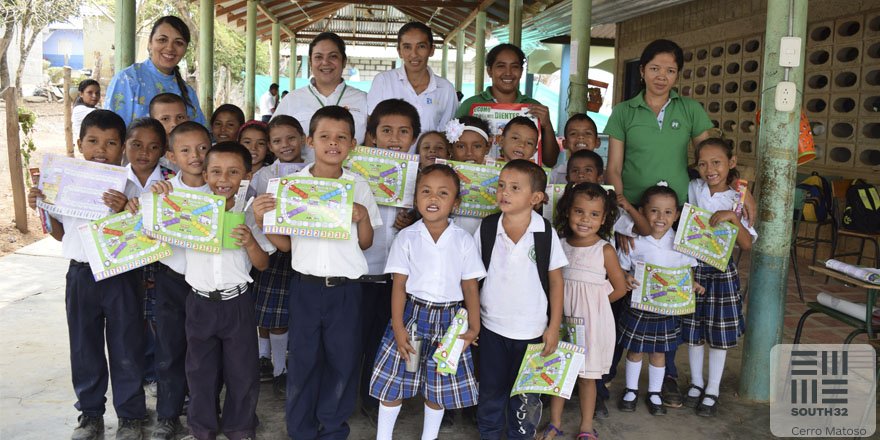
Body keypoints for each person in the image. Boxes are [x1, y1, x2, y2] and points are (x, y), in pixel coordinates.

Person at [253, 106, 381, 439]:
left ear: (352, 143)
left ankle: (333, 428)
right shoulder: (291, 186)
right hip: (306, 289)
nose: (333, 143)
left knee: (342, 363)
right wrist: (262, 216)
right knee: (303, 362)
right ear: (310, 140)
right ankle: (300, 430)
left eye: (341, 137)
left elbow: (366, 243)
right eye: (324, 136)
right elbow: (284, 246)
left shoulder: (359, 187)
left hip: (347, 291)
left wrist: (362, 216)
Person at [604, 40, 714, 406]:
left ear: (678, 74)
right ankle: (609, 375)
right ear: (642, 70)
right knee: (628, 295)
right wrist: (625, 218)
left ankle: (665, 378)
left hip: (676, 216)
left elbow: (709, 158)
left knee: (671, 298)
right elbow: (614, 169)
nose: (661, 76)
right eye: (654, 68)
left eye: (669, 70)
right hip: (634, 213)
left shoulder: (692, 109)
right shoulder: (624, 111)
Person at [27, 110, 146, 440]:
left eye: (110, 143)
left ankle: (131, 417)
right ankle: (90, 415)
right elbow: (61, 235)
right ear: (79, 144)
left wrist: (125, 208)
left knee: (126, 347)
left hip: (121, 274)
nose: (101, 149)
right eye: (93, 141)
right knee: (84, 347)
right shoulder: (62, 181)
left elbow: (144, 236)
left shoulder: (131, 185)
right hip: (81, 275)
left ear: (122, 147)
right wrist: (43, 205)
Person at [370, 164, 484, 440]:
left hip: (449, 321)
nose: (433, 199)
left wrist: (474, 327)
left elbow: (470, 286)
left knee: (438, 386)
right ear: (416, 199)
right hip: (412, 316)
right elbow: (398, 286)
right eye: (426, 192)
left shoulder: (463, 240)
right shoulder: (407, 237)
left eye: (443, 193)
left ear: (455, 202)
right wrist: (398, 328)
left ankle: (429, 437)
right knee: (393, 382)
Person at [173, 142, 273, 440]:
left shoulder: (251, 211)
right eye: (215, 171)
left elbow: (264, 263)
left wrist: (249, 241)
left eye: (233, 172)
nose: (223, 179)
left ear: (247, 175)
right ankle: (201, 428)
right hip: (200, 302)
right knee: (199, 371)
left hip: (237, 303)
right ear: (204, 173)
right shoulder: (190, 209)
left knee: (242, 371)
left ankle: (240, 426)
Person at [475, 160, 567, 440]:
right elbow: (472, 276)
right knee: (491, 388)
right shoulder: (488, 228)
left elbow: (556, 281)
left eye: (515, 188)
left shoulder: (545, 233)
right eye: (501, 185)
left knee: (526, 392)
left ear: (536, 198)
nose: (504, 192)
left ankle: (521, 435)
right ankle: (489, 434)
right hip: (492, 326)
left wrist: (554, 326)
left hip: (533, 331)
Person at [541, 182, 630, 440]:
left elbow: (620, 288)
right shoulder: (558, 244)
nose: (585, 220)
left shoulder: (604, 249)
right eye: (579, 211)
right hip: (561, 321)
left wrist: (597, 304)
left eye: (593, 215)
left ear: (603, 219)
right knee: (559, 372)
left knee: (586, 377)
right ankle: (555, 423)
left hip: (591, 325)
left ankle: (586, 427)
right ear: (568, 211)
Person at [140, 122, 212, 440]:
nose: (195, 156)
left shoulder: (222, 190)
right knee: (170, 350)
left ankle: (205, 412)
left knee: (208, 353)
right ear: (171, 155)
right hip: (171, 280)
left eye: (202, 148)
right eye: (185, 150)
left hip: (209, 284)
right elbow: (144, 234)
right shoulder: (163, 192)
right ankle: (168, 416)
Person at [681, 138, 755, 417]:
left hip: (722, 273)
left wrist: (734, 218)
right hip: (693, 268)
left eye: (717, 162)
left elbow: (747, 245)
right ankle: (696, 383)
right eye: (703, 163)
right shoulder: (693, 188)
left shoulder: (738, 200)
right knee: (694, 330)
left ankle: (712, 388)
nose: (710, 169)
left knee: (719, 334)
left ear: (731, 163)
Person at [357, 99, 420, 425]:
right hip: (359, 271)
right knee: (355, 338)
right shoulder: (355, 168)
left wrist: (415, 217)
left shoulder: (420, 174)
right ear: (372, 135)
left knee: (385, 339)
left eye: (403, 131)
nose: (394, 138)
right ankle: (352, 395)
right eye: (386, 130)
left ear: (414, 137)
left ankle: (374, 397)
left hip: (397, 279)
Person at [616, 184, 704, 416]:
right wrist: (625, 277)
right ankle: (631, 389)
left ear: (676, 215)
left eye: (667, 212)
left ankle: (654, 392)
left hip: (667, 309)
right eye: (654, 211)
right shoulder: (633, 240)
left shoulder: (681, 243)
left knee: (659, 353)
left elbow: (688, 271)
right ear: (642, 211)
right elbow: (622, 268)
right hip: (639, 306)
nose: (660, 217)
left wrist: (692, 284)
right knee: (635, 350)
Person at [249, 115, 307, 394]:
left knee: (292, 315)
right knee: (273, 315)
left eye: (291, 138)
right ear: (270, 146)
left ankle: (281, 366)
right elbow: (260, 216)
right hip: (275, 251)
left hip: (305, 247)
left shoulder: (312, 171)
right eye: (277, 141)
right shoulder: (264, 176)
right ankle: (276, 368)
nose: (285, 145)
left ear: (303, 139)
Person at [456, 44, 559, 167]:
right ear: (489, 70)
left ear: (521, 71)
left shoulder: (534, 108)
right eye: (501, 66)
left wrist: (547, 125)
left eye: (514, 67)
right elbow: (453, 148)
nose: (508, 72)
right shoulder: (471, 105)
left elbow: (550, 160)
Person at [273, 32, 368, 161]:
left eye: (333, 56)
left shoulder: (363, 99)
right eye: (318, 57)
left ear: (344, 61)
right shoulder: (292, 100)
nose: (325, 62)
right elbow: (273, 138)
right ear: (311, 62)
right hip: (303, 179)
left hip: (350, 178)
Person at [368, 22, 458, 148]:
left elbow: (445, 134)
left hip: (428, 164)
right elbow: (371, 128)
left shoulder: (445, 88)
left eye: (421, 46)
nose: (414, 54)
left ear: (431, 50)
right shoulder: (383, 81)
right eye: (407, 47)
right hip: (389, 163)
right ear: (399, 51)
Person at [105, 16, 205, 127]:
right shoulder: (128, 80)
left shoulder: (188, 93)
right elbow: (111, 133)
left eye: (179, 42)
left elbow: (199, 136)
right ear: (150, 43)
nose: (170, 48)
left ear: (185, 49)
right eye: (162, 40)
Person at [446, 116, 494, 236]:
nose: (469, 153)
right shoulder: (443, 174)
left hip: (485, 237)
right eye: (461, 146)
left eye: (477, 146)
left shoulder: (498, 175)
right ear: (451, 148)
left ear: (487, 147)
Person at [550, 114, 600, 184]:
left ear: (597, 142)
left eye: (588, 133)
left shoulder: (604, 176)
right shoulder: (555, 176)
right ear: (564, 143)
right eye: (573, 133)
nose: (581, 136)